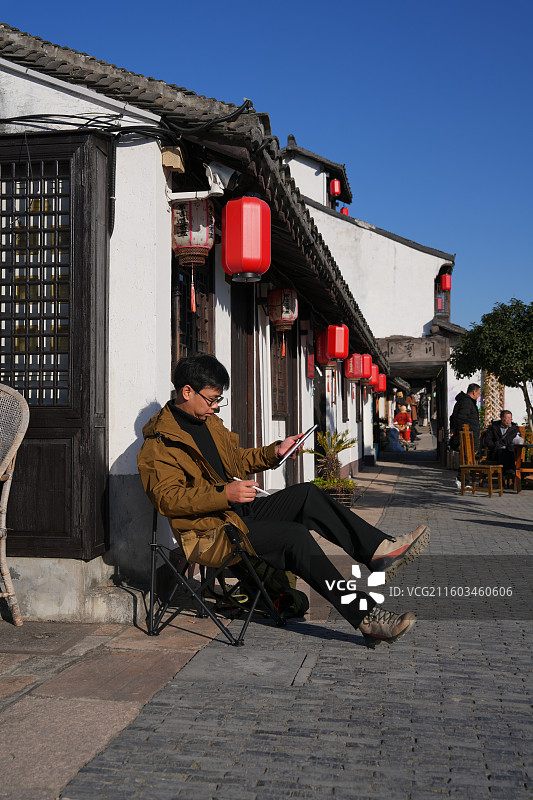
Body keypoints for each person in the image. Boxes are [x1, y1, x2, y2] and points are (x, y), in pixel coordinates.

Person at [138, 354, 430, 649]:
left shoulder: (210, 423)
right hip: (212, 532)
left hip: (239, 514)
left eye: (218, 400)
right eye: (212, 399)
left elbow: (235, 459)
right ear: (187, 392)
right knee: (295, 538)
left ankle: (378, 551)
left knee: (308, 494)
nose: (215, 407)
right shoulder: (159, 444)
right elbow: (167, 499)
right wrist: (223, 494)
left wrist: (273, 452)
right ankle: (367, 617)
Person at [450, 383, 481, 488]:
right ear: (474, 392)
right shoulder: (467, 403)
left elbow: (452, 417)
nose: (479, 395)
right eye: (478, 393)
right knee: (467, 458)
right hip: (467, 436)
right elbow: (461, 418)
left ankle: (461, 480)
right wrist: (461, 431)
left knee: (466, 458)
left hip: (468, 436)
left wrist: (454, 429)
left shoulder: (464, 401)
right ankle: (464, 481)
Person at [482, 410, 523, 476]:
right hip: (496, 452)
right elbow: (487, 440)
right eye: (506, 418)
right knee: (502, 452)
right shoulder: (493, 427)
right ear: (501, 418)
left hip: (510, 452)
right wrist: (495, 446)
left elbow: (518, 441)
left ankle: (504, 476)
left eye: (510, 418)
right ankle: (509, 473)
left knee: (507, 452)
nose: (508, 420)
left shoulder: (514, 429)